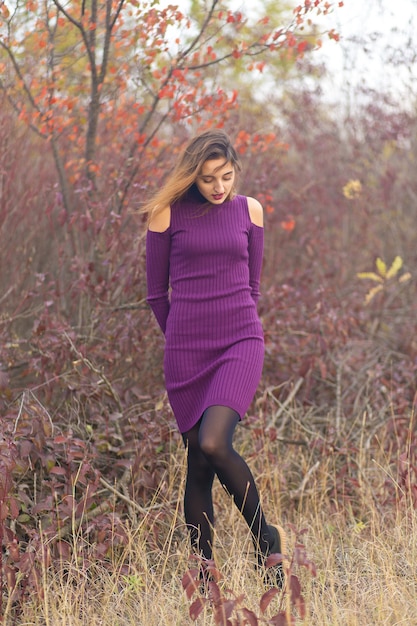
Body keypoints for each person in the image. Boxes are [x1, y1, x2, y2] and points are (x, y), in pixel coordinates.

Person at [144, 129, 286, 588]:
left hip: (240, 342)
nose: (219, 187)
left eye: (226, 176)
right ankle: (205, 575)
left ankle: (266, 540)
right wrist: (180, 339)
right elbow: (155, 294)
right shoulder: (167, 214)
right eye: (208, 179)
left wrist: (235, 328)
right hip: (185, 353)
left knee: (213, 443)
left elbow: (254, 286)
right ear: (192, 177)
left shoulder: (250, 210)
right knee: (197, 464)